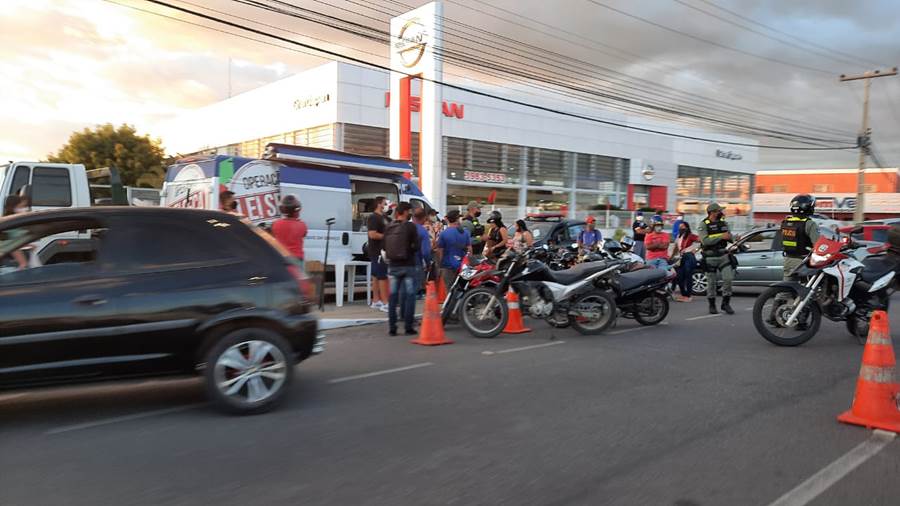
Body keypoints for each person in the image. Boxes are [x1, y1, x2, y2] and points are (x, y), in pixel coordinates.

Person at [383, 202, 420, 336]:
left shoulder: (388, 226)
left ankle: (392, 328)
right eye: (409, 211)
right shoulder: (410, 226)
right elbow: (417, 246)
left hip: (393, 265)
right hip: (408, 265)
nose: (410, 214)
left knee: (393, 298)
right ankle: (408, 327)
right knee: (410, 296)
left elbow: (384, 246)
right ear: (404, 212)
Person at [698, 202, 735, 315]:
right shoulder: (703, 224)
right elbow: (705, 241)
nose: (721, 212)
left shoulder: (724, 223)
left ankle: (726, 303)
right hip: (710, 257)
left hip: (723, 255)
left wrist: (732, 238)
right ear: (712, 213)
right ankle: (712, 305)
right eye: (719, 211)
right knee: (711, 283)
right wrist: (721, 236)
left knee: (728, 279)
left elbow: (729, 237)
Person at [779, 194, 819, 281]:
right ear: (807, 207)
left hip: (788, 260)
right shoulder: (809, 224)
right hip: (804, 261)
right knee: (808, 287)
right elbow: (818, 244)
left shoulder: (785, 222)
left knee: (787, 287)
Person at [436, 210, 473, 291]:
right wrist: (470, 262)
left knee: (449, 289)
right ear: (457, 219)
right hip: (462, 265)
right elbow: (469, 249)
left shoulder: (443, 234)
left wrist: (439, 265)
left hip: (448, 265)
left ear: (448, 220)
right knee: (463, 289)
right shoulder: (465, 233)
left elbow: (440, 251)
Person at [367, 196, 390, 312]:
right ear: (379, 204)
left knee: (377, 275)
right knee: (380, 275)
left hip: (385, 250)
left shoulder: (385, 217)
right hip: (377, 250)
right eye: (385, 203)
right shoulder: (373, 217)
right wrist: (387, 236)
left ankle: (376, 300)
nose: (386, 205)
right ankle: (383, 302)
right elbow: (372, 234)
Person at [271, 195, 308, 268]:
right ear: (296, 211)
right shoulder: (302, 225)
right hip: (297, 259)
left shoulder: (276, 224)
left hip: (281, 258)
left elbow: (273, 235)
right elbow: (304, 234)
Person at [673, 222, 700, 302]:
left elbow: (701, 241)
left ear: (687, 228)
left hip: (689, 257)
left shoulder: (691, 236)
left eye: (683, 226)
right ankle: (684, 294)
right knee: (679, 276)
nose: (681, 228)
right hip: (681, 257)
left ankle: (688, 295)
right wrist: (671, 257)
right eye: (680, 227)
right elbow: (676, 248)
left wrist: (695, 250)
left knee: (688, 276)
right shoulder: (679, 236)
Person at [1, 195, 28, 269]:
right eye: (21, 207)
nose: (24, 209)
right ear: (14, 206)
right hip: (10, 264)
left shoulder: (9, 220)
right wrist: (23, 263)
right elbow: (13, 245)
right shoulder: (11, 223)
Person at [412, 208, 432, 298]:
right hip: (417, 262)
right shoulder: (423, 231)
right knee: (415, 292)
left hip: (402, 263)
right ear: (424, 218)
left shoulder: (406, 227)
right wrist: (428, 264)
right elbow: (426, 252)